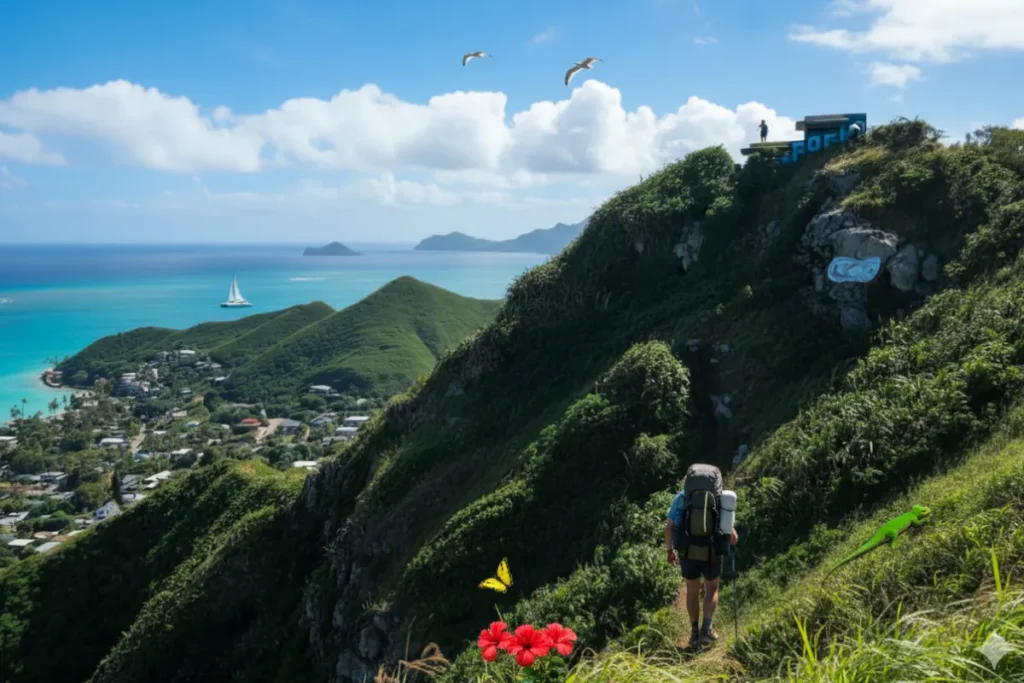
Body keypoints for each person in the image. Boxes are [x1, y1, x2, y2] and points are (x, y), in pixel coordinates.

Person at [665, 479, 739, 649]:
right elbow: (731, 534)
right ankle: (707, 628)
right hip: (711, 552)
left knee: (692, 591)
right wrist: (732, 538)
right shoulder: (719, 498)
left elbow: (669, 527)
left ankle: (694, 634)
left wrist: (670, 551)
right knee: (711, 588)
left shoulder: (681, 498)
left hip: (688, 552)